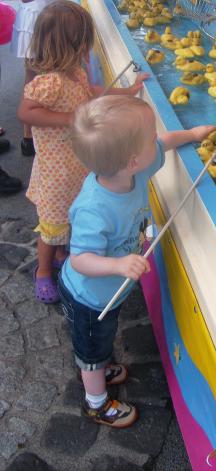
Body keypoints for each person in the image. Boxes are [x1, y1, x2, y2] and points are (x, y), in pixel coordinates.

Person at [57, 94, 215, 427]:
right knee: (91, 348)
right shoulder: (94, 209)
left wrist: (195, 133)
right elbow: (80, 258)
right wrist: (117, 265)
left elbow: (166, 143)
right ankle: (96, 402)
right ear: (132, 160)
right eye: (148, 137)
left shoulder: (134, 171)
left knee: (103, 338)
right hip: (88, 297)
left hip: (108, 293)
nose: (155, 139)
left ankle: (100, 364)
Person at [17, 0, 147, 304]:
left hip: (76, 166)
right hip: (55, 173)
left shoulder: (75, 72)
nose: (86, 50)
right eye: (83, 43)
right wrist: (68, 119)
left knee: (71, 217)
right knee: (52, 227)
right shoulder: (50, 83)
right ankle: (44, 271)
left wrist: (128, 92)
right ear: (71, 44)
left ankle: (64, 252)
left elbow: (95, 92)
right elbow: (25, 111)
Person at [11, 0, 56, 157]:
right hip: (40, 15)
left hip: (39, 13)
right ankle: (35, 134)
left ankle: (29, 137)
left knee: (33, 76)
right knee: (47, 77)